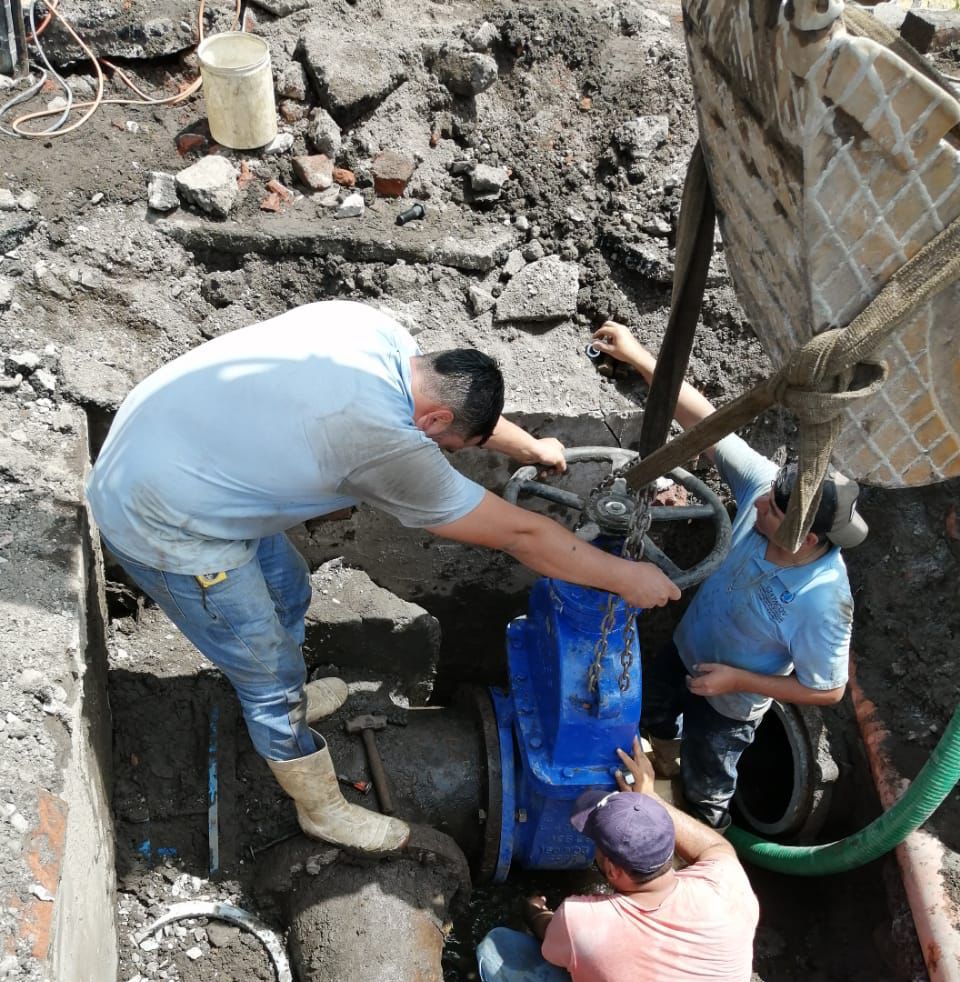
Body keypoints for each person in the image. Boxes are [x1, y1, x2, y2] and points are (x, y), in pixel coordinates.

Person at [86, 301, 680, 855]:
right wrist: (624, 577)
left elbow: (457, 414)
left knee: (290, 589)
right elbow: (522, 536)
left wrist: (529, 447)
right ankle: (317, 803)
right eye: (449, 446)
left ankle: (287, 702)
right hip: (166, 522)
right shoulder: (383, 442)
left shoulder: (375, 332)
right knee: (267, 674)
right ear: (433, 420)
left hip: (180, 454)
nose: (445, 453)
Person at [589, 320, 868, 830]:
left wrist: (737, 680)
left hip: (730, 705)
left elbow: (827, 690)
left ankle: (708, 828)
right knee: (653, 712)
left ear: (806, 539)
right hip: (684, 650)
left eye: (772, 510)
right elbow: (710, 424)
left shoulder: (824, 602)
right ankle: (661, 753)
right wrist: (639, 357)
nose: (757, 503)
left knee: (709, 777)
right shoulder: (769, 489)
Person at [476, 737, 759, 982]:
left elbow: (547, 937)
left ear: (611, 869)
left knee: (495, 950)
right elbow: (717, 847)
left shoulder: (582, 922)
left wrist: (534, 909)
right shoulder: (727, 883)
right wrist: (650, 801)